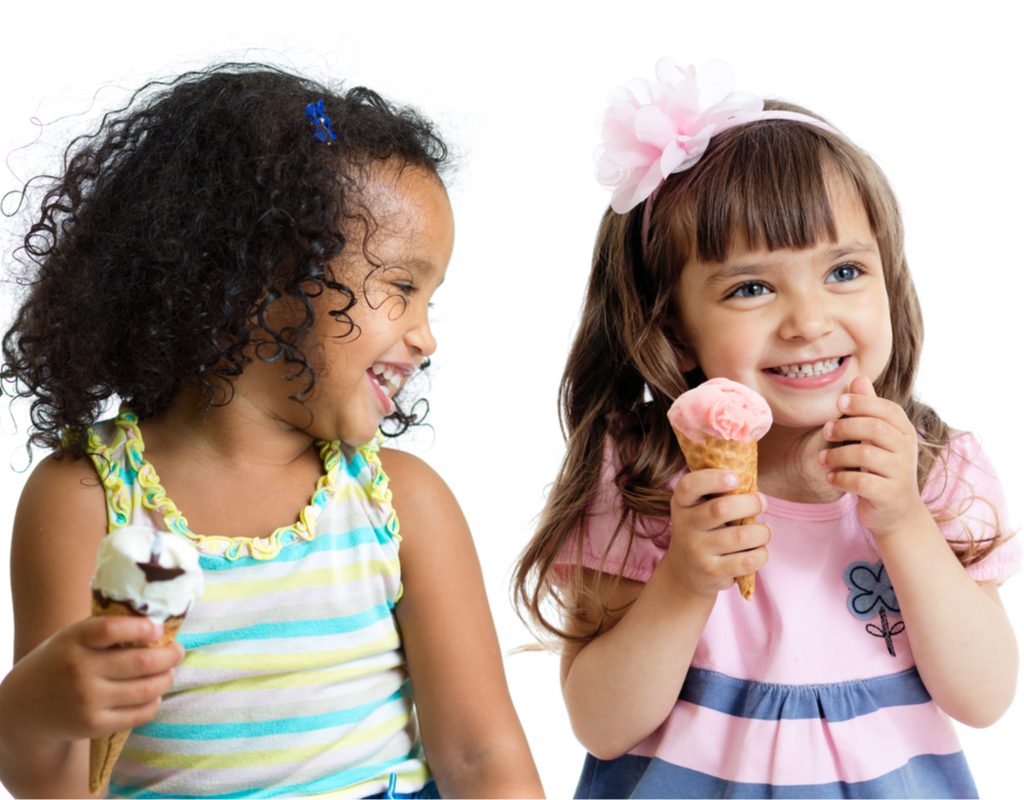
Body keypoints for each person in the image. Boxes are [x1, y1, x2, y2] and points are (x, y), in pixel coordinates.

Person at [0, 62, 543, 799]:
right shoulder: (83, 498)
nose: (424, 337)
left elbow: (481, 753)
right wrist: (30, 711)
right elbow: (57, 790)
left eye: (430, 301)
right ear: (268, 275)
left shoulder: (397, 501)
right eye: (403, 289)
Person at [514, 59, 1019, 799]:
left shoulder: (933, 467)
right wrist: (685, 580)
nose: (810, 322)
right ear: (675, 328)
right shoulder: (645, 475)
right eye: (751, 287)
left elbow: (985, 696)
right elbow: (601, 723)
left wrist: (905, 522)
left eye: (844, 271)